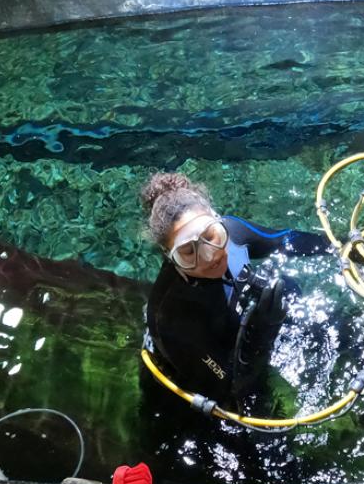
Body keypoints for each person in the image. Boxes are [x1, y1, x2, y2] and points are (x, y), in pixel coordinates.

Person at [140, 171, 330, 406]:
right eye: (188, 252)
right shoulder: (170, 317)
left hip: (240, 337)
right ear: (169, 257)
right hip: (201, 385)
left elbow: (285, 241)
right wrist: (263, 331)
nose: (210, 256)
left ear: (218, 221)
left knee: (290, 290)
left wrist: (343, 247)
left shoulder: (234, 231)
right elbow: (230, 391)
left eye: (211, 235)